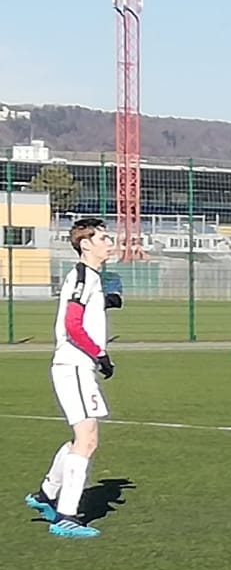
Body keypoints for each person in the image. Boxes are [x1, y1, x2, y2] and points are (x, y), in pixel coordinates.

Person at [26, 217, 120, 538]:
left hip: (76, 366)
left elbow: (80, 310)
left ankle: (46, 494)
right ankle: (66, 516)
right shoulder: (83, 275)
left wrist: (105, 302)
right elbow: (72, 324)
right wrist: (100, 354)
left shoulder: (88, 277)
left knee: (82, 437)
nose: (110, 243)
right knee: (88, 439)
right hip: (76, 365)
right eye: (104, 238)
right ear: (86, 244)